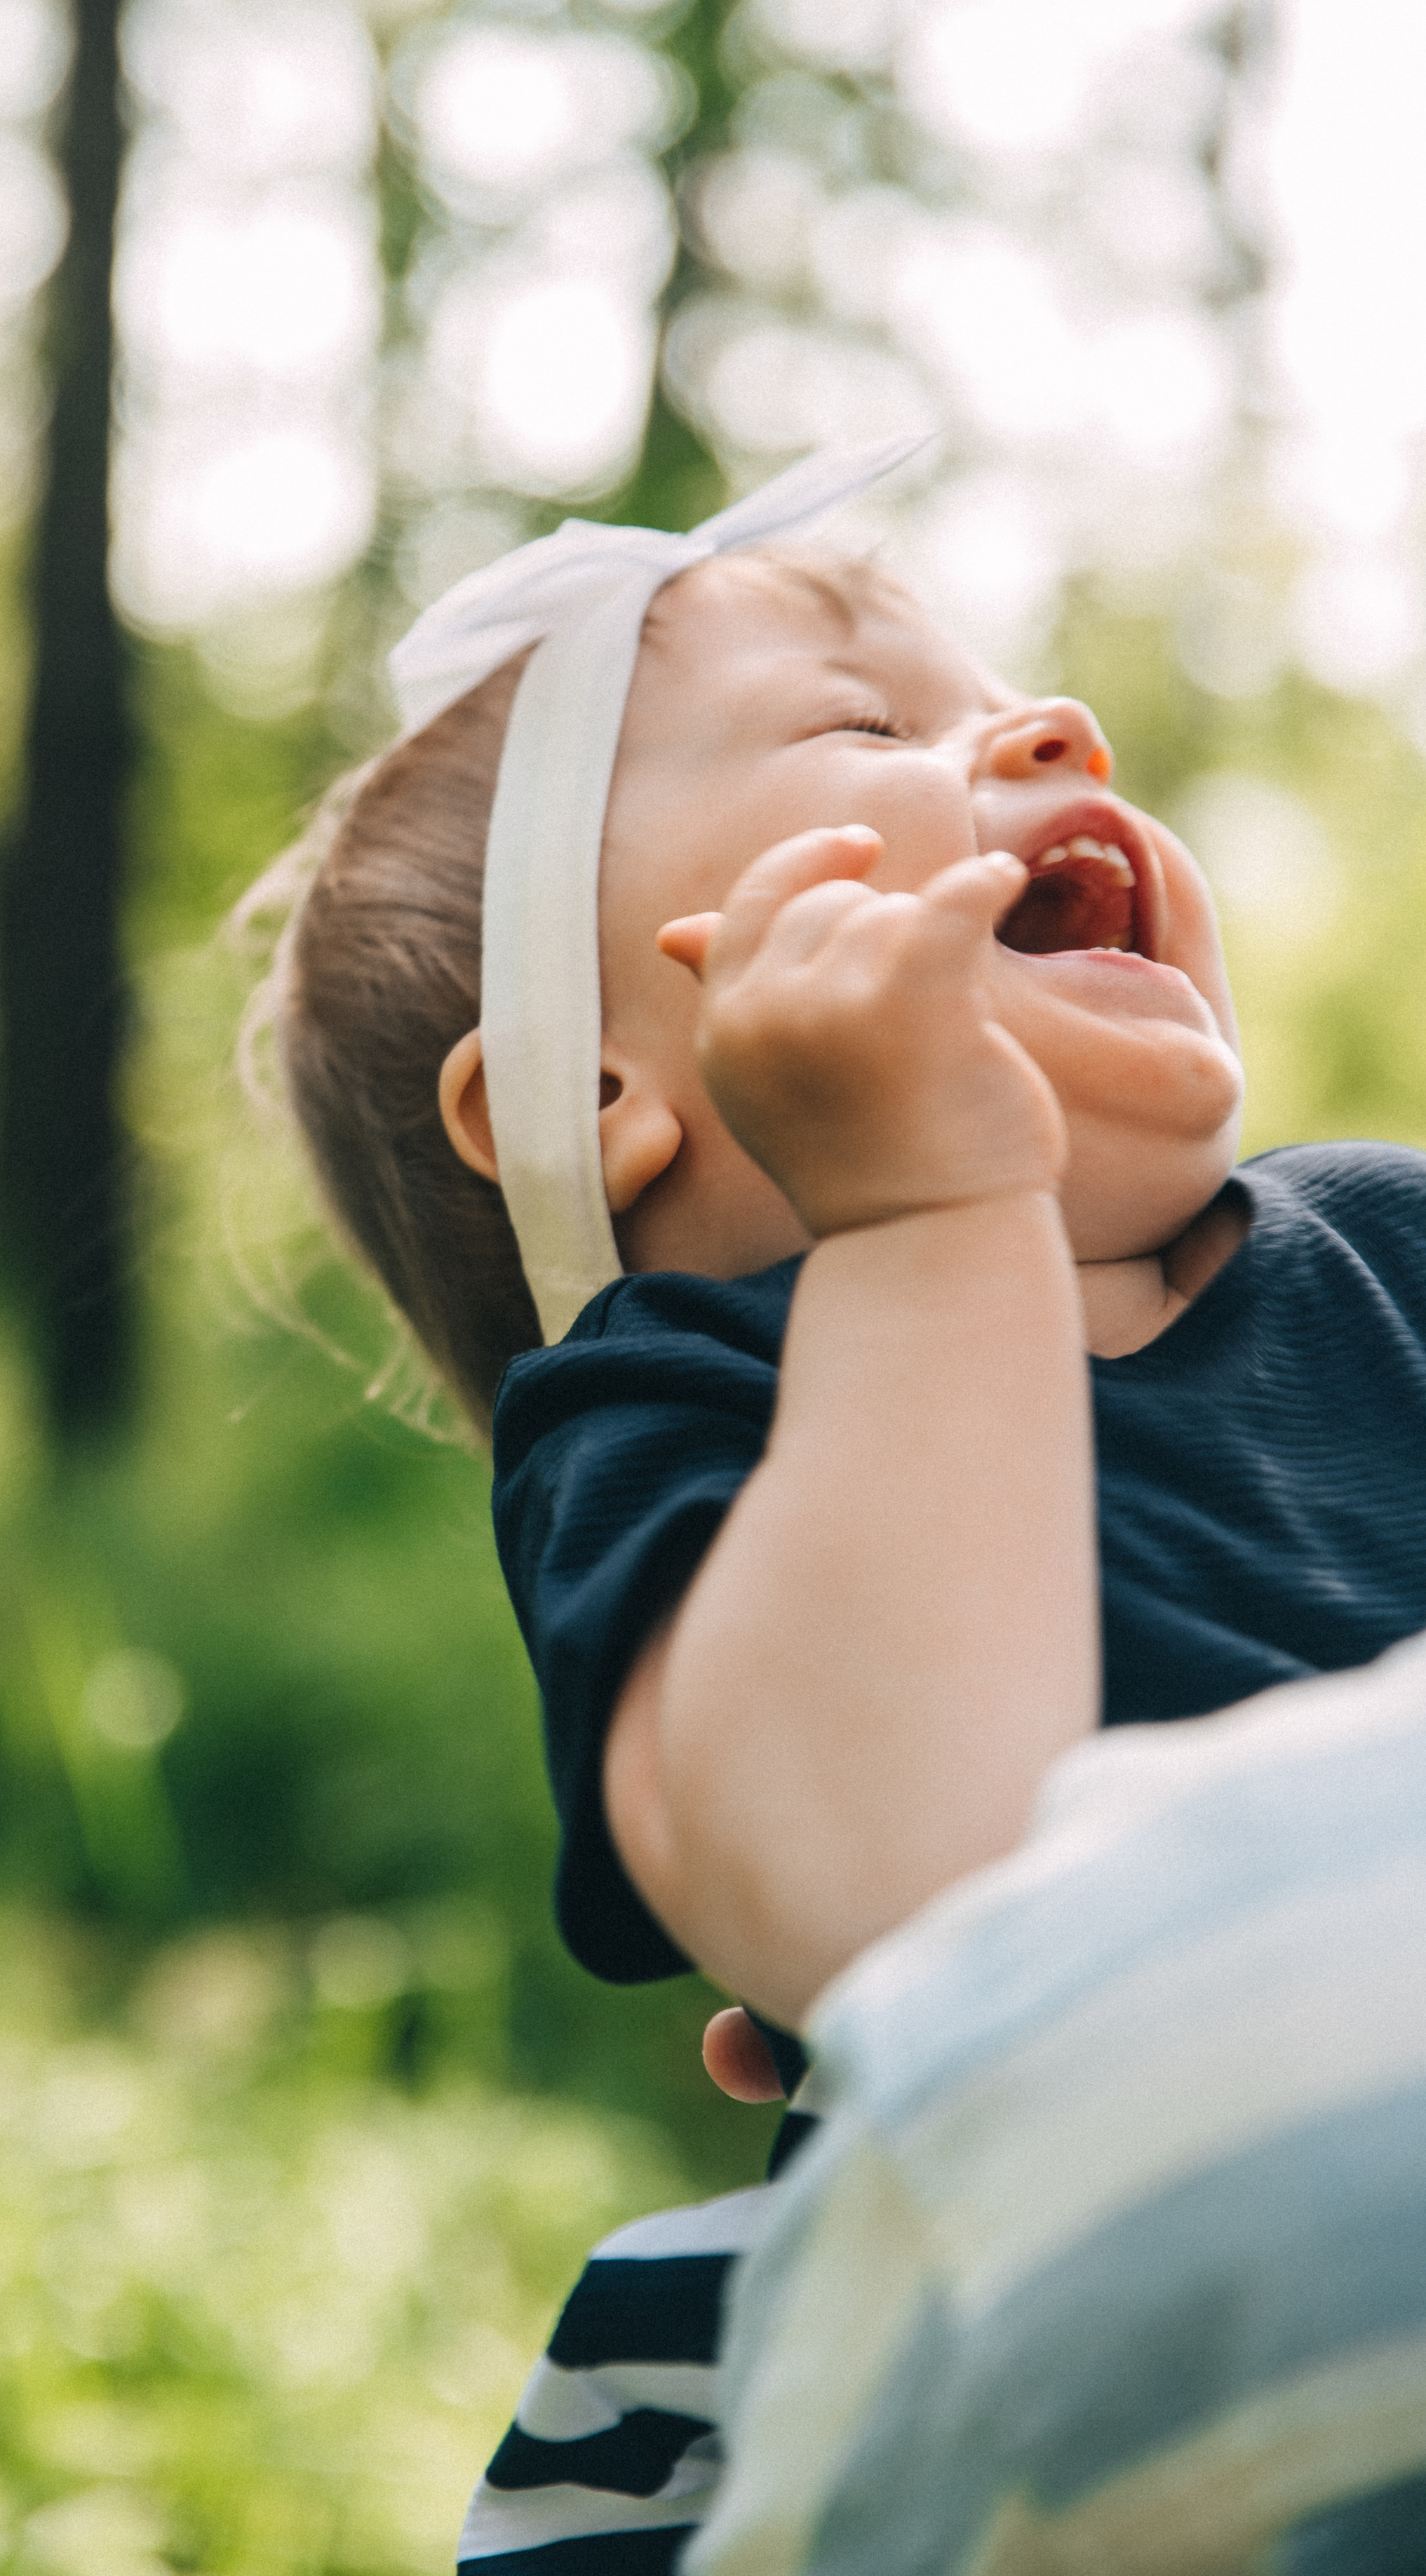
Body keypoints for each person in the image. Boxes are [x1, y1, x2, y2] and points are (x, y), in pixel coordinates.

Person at [238, 444, 1426, 2568]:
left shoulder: (1391, 1251)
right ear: (593, 1102)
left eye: (1019, 700)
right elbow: (912, 1900)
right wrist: (926, 1203)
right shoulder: (682, 1427)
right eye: (871, 728)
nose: (1057, 735)